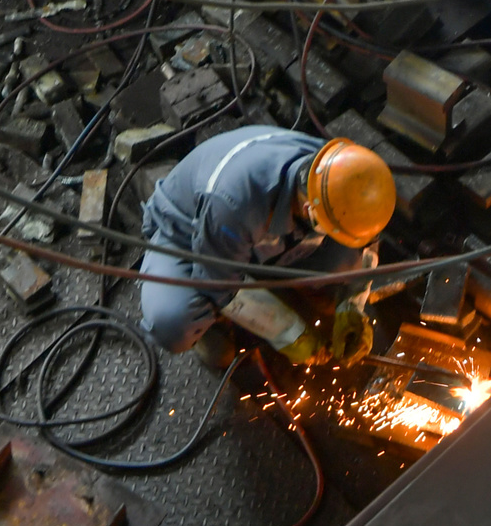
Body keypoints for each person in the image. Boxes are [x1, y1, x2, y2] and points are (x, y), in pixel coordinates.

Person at [140, 126, 396, 368]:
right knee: (175, 324)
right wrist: (290, 333)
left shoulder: (342, 173)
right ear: (309, 209)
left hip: (256, 230)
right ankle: (212, 319)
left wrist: (352, 304)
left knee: (342, 265)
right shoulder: (233, 204)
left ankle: (262, 276)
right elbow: (217, 282)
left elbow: (364, 242)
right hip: (188, 234)